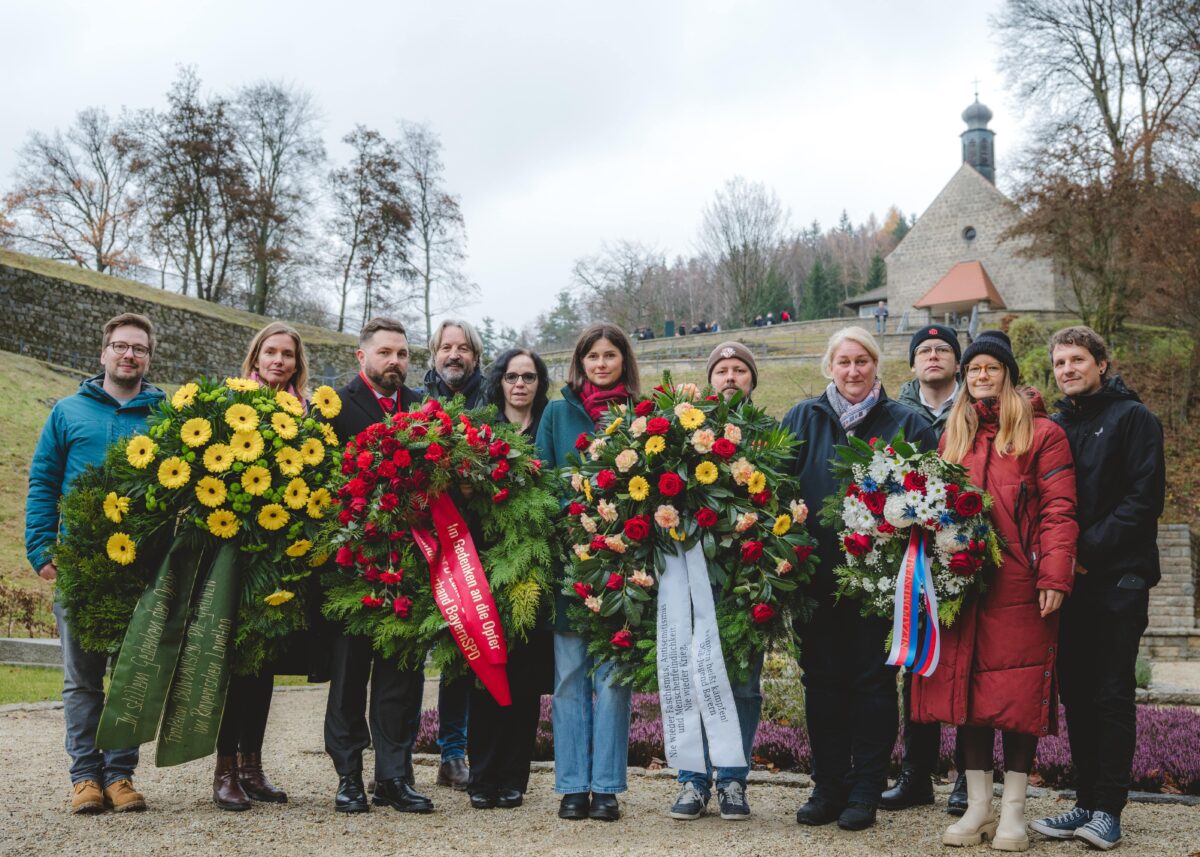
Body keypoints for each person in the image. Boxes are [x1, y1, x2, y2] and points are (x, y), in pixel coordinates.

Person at [912, 330, 1078, 852]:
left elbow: (1059, 510)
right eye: (975, 369)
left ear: (1008, 374)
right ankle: (978, 808)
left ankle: (1013, 814)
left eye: (992, 368)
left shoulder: (1042, 433)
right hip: (963, 582)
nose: (983, 376)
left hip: (1019, 586)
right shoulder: (954, 436)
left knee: (1016, 697)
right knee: (969, 698)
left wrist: (1054, 574)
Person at [781, 327, 936, 832]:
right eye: (844, 362)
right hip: (817, 582)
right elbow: (778, 493)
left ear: (877, 366)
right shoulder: (802, 418)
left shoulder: (907, 424)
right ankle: (827, 786)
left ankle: (866, 788)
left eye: (862, 361)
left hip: (881, 587)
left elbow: (931, 498)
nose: (853, 371)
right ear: (830, 366)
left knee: (873, 686)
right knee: (821, 684)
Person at [1030, 327, 1164, 851]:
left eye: (1077, 359)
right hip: (1069, 586)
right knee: (1079, 697)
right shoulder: (1058, 424)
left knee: (1110, 695)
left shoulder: (1134, 419)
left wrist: (1081, 552)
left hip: (1118, 579)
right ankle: (1085, 803)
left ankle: (1109, 809)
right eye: (1059, 362)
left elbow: (1142, 500)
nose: (1067, 369)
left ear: (1101, 364)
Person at [26, 312, 164, 814]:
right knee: (81, 677)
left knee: (131, 675)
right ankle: (84, 777)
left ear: (149, 357)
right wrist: (42, 549)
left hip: (142, 570)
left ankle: (121, 775)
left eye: (140, 349)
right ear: (103, 352)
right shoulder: (67, 412)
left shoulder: (165, 416)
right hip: (80, 568)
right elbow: (43, 482)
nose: (130, 355)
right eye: (121, 346)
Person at [323, 318, 433, 815]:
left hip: (409, 566)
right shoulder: (333, 407)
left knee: (402, 677)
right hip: (354, 565)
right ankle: (349, 777)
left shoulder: (422, 409)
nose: (395, 362)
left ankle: (394, 775)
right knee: (349, 676)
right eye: (386, 352)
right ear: (360, 357)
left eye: (403, 354)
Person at [535, 323, 641, 822]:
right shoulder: (557, 414)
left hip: (623, 567)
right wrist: (576, 509)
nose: (601, 364)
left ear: (624, 361)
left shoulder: (642, 417)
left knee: (615, 679)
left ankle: (608, 787)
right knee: (571, 678)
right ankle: (573, 785)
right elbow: (540, 476)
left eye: (610, 356)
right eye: (592, 356)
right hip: (570, 564)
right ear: (579, 363)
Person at [210, 322, 313, 811]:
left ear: (297, 362)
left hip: (283, 556)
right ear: (256, 356)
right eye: (271, 352)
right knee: (237, 665)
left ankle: (252, 767)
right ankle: (224, 768)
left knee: (264, 666)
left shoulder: (307, 412)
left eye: (287, 354)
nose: (278, 361)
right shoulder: (232, 406)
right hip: (237, 552)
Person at [669, 341, 764, 822]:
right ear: (710, 380)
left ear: (752, 379)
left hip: (746, 577)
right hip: (693, 575)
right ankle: (692, 780)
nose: (730, 377)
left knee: (743, 682)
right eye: (722, 370)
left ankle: (731, 780)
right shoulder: (685, 432)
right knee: (691, 674)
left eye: (739, 370)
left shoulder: (769, 436)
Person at [465, 348, 555, 810]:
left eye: (530, 377)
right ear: (499, 381)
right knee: (485, 674)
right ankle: (481, 775)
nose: (520, 384)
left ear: (540, 383)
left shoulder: (550, 428)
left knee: (524, 681)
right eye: (512, 376)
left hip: (537, 570)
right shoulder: (480, 431)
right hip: (484, 566)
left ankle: (513, 776)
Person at [885, 324, 967, 814]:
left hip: (966, 549)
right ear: (913, 364)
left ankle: (966, 775)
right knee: (915, 663)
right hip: (909, 557)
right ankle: (916, 774)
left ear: (957, 361)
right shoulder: (895, 413)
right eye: (924, 351)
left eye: (942, 350)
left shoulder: (977, 405)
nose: (933, 356)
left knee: (967, 665)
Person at [420, 319, 486, 789]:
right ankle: (398, 756)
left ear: (476, 356)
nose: (454, 354)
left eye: (463, 347)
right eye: (447, 347)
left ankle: (455, 753)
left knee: (465, 653)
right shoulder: (414, 402)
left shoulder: (492, 400)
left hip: (475, 541)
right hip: (422, 538)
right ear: (434, 354)